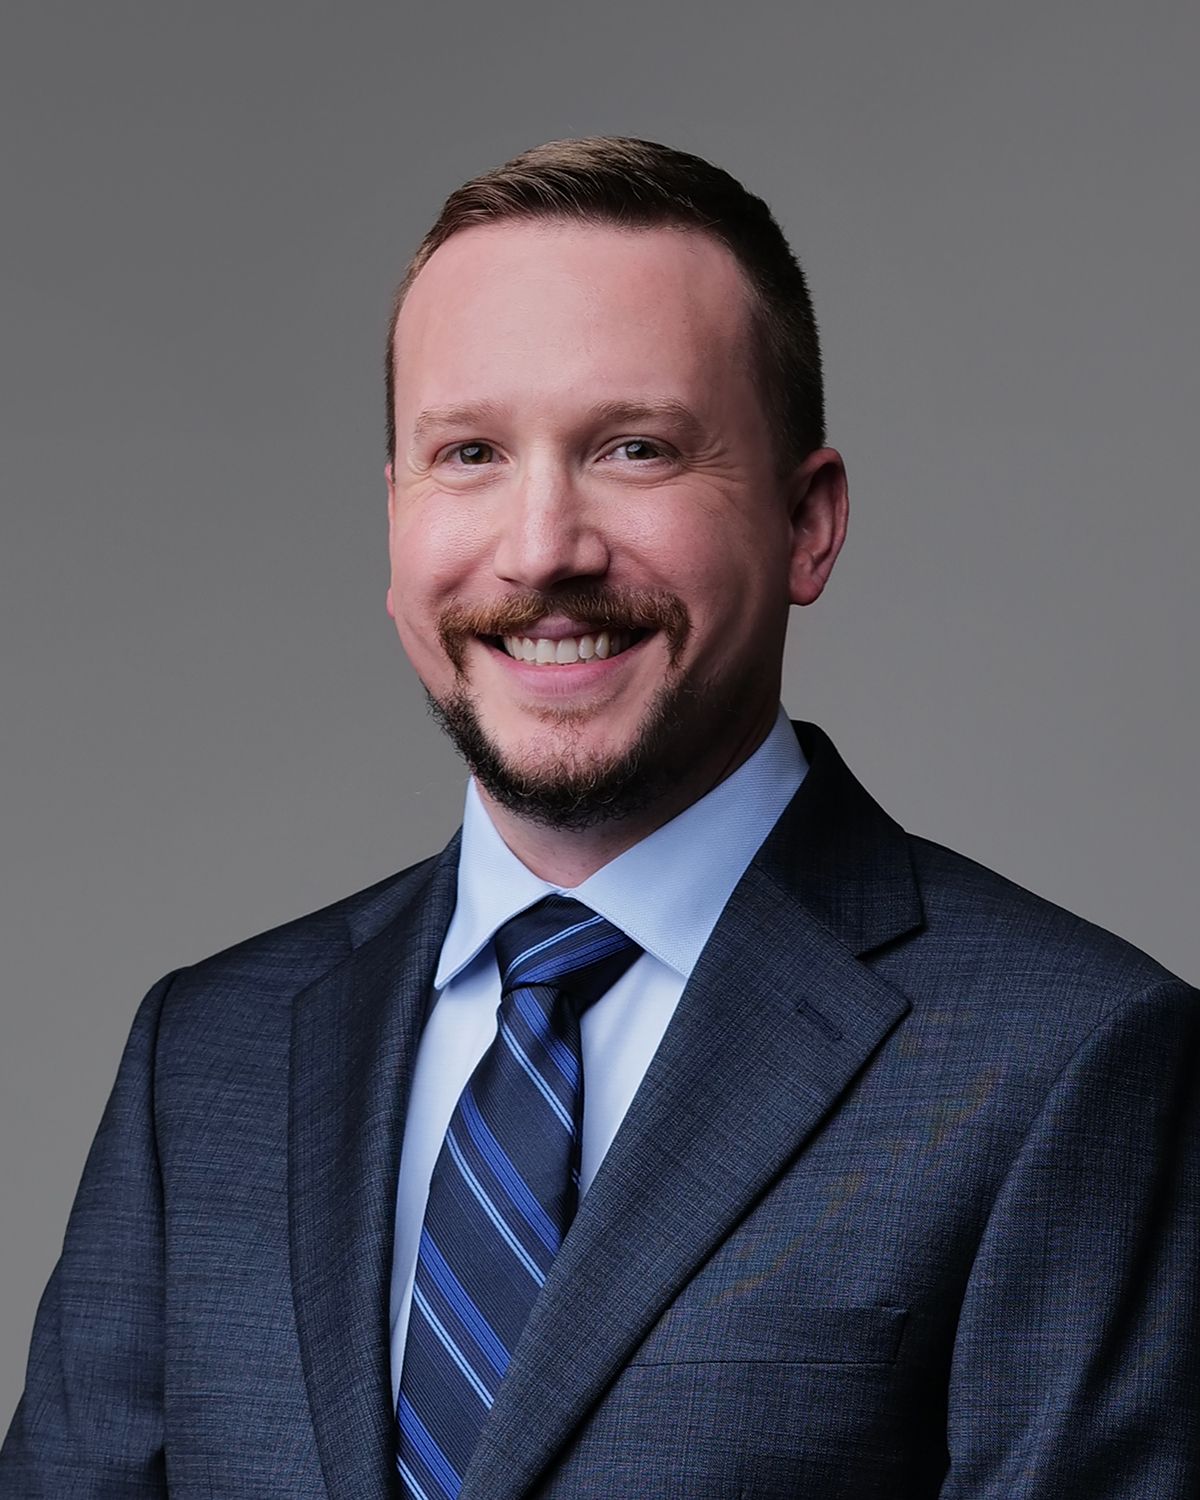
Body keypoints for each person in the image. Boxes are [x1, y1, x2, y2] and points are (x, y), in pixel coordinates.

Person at [2, 136, 1197, 1500]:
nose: (541, 549)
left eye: (636, 449)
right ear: (393, 521)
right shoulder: (206, 1056)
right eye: (469, 453)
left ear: (807, 524)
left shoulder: (1070, 1061)